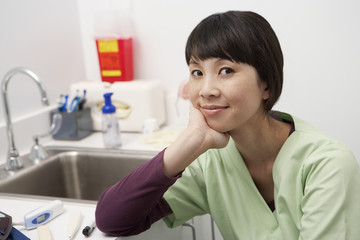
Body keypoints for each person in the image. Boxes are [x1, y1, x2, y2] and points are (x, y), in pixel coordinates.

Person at [95, 11, 360, 239]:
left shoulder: (327, 165)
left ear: (265, 84)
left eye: (226, 71)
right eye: (197, 72)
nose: (206, 90)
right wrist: (188, 142)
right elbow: (112, 219)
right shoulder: (210, 162)